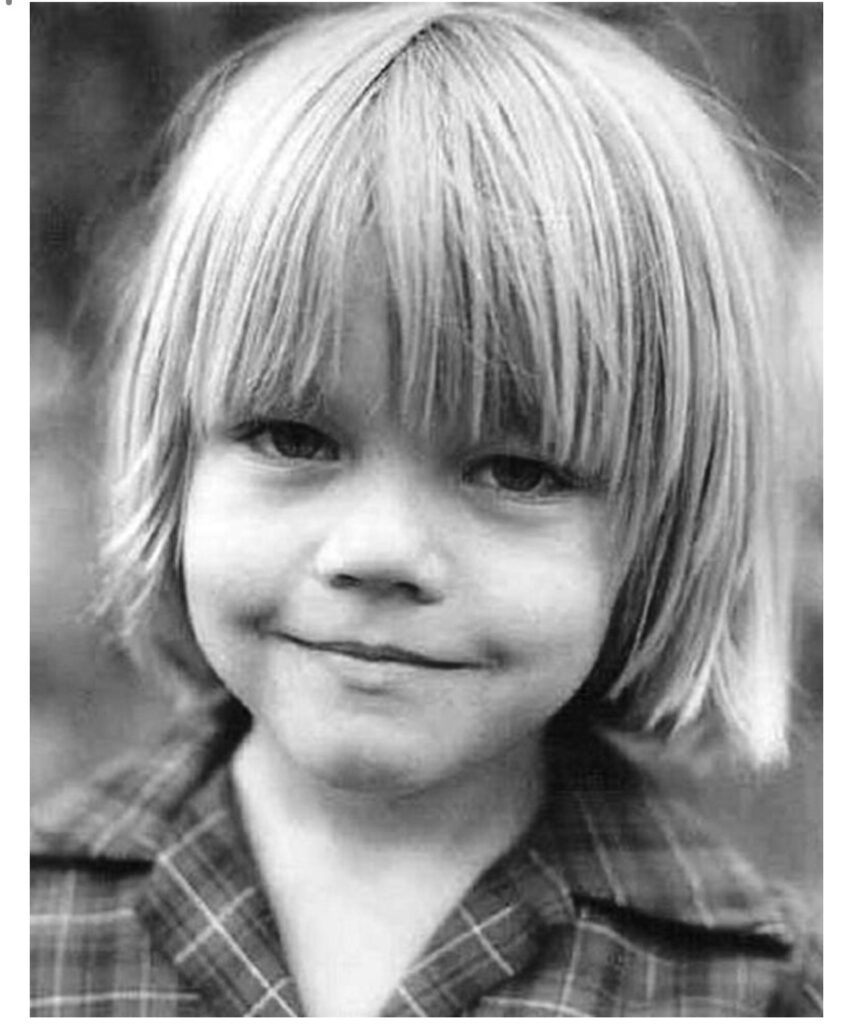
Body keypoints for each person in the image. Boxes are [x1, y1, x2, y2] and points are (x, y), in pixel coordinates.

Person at [30, 3, 821, 1016]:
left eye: (514, 471)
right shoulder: (35, 920)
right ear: (177, 456)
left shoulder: (759, 985)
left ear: (664, 527)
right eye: (292, 437)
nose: (379, 549)